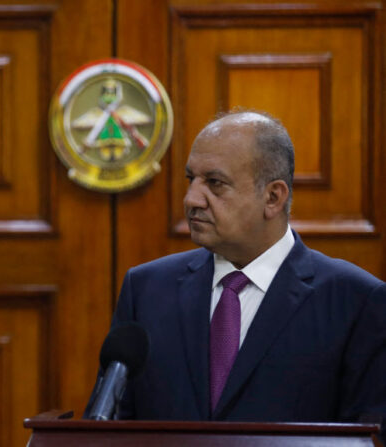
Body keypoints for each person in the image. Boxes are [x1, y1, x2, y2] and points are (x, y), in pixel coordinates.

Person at [86, 110, 386, 423]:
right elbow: (112, 425)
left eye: (215, 183)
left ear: (273, 197)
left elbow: (368, 436)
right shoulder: (146, 289)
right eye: (192, 180)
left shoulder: (357, 301)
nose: (191, 199)